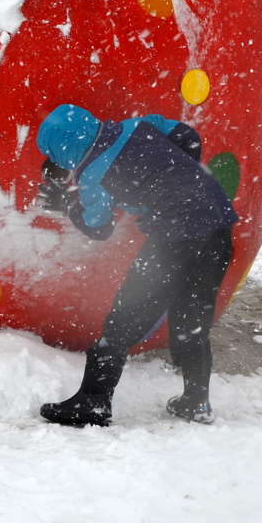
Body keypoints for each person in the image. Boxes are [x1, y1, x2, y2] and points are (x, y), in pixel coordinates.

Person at [33, 104, 238, 427]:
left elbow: (99, 227)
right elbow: (189, 137)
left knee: (124, 318)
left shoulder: (92, 176)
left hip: (174, 238)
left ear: (63, 149)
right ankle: (196, 402)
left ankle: (93, 403)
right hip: (217, 224)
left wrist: (68, 203)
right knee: (191, 316)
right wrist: (177, 177)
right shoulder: (138, 125)